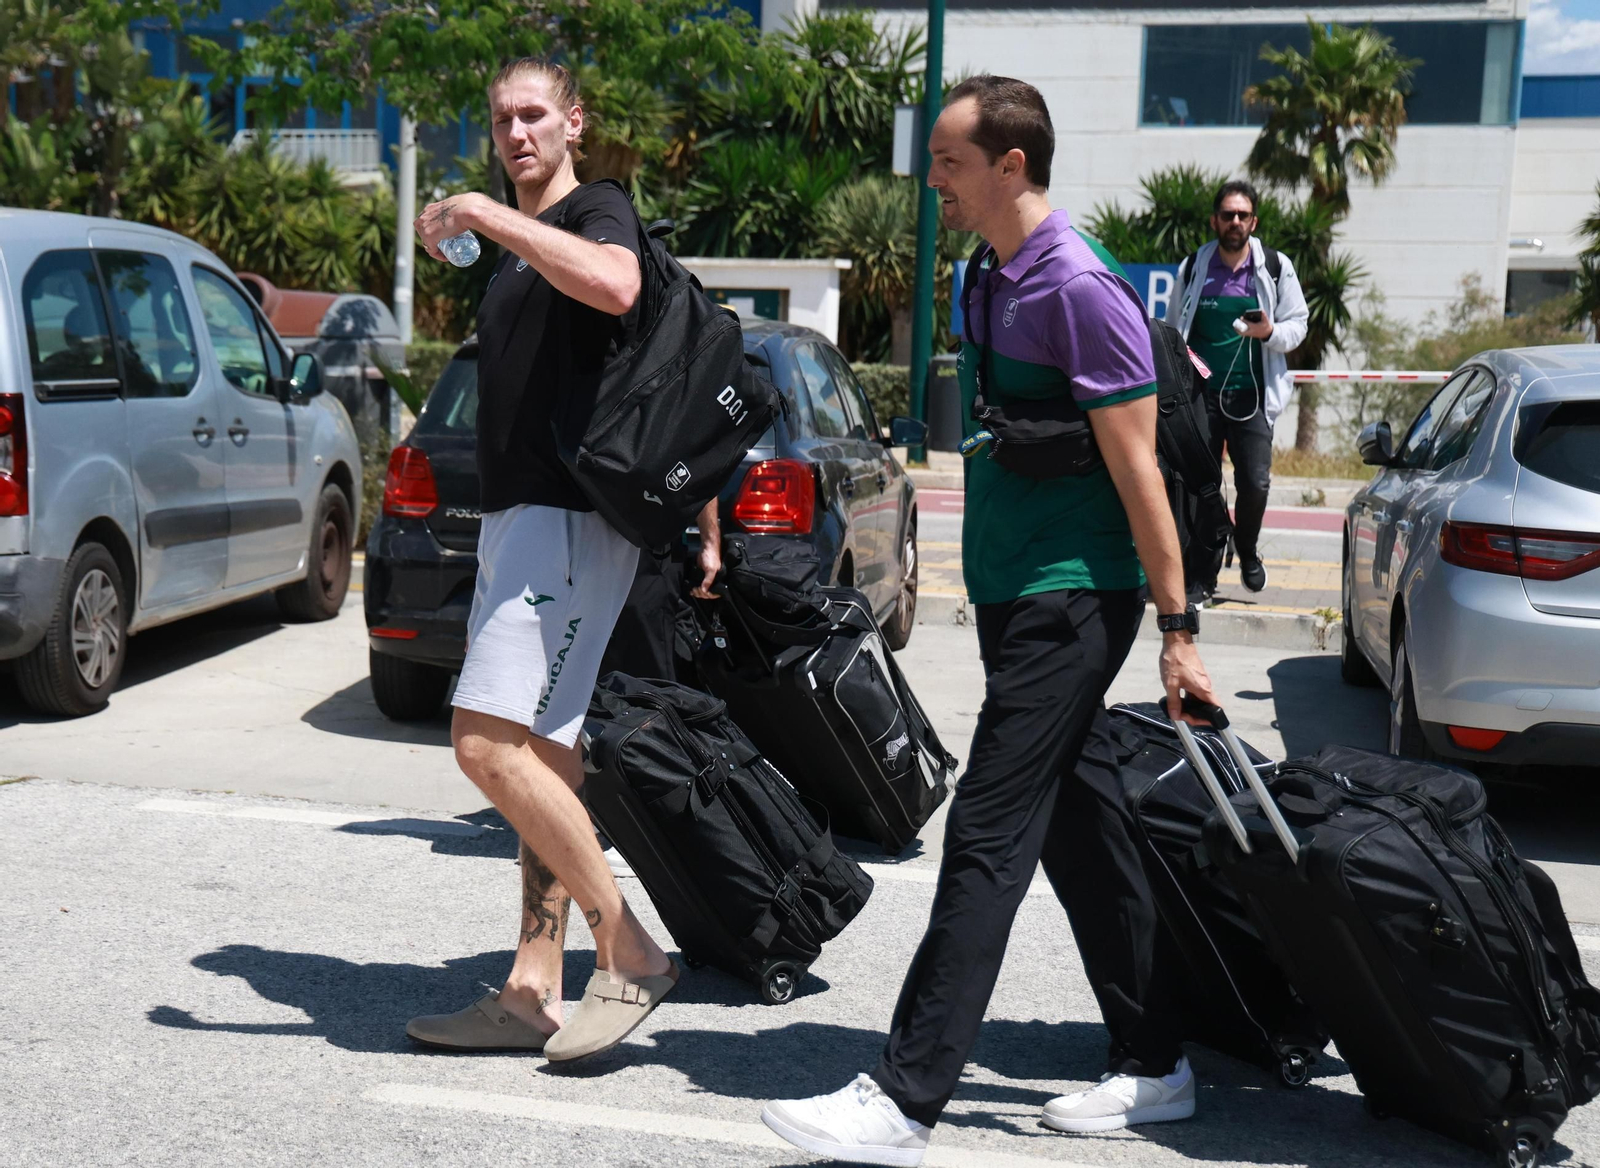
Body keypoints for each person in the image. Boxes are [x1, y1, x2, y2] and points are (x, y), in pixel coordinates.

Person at [760, 75, 1221, 1165]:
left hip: (1076, 593)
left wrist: (1178, 626)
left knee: (987, 832)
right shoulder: (989, 272)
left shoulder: (1081, 288)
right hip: (1015, 593)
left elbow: (1140, 470)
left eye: (950, 163)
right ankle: (1158, 1062)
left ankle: (906, 1095)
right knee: (1078, 821)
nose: (933, 183)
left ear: (1012, 166)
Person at [403, 56, 716, 1064]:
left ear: (574, 121)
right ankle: (532, 986)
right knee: (540, 756)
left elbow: (619, 286)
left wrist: (492, 220)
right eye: (500, 119)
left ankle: (629, 947)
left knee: (483, 748)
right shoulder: (524, 247)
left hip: (566, 521)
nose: (515, 133)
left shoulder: (598, 211)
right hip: (524, 521)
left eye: (533, 114)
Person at [1170, 180, 1309, 595]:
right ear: (1215, 220)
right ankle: (1202, 575)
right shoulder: (1193, 267)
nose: (1234, 222)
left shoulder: (1275, 266)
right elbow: (1174, 327)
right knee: (1201, 486)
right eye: (1227, 215)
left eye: (1242, 215)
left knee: (1255, 483)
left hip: (1251, 398)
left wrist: (1269, 333)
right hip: (1201, 398)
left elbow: (1298, 324)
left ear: (1254, 221)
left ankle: (1246, 548)